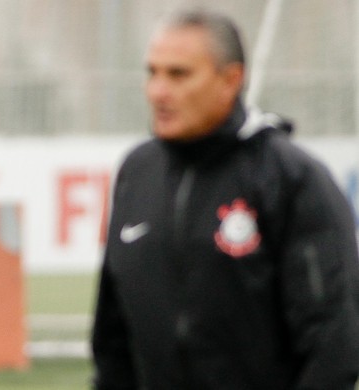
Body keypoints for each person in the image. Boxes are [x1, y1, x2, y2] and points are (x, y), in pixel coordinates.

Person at [92, 9, 359, 389]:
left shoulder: (292, 178)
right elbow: (112, 338)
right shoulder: (137, 173)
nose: (158, 91)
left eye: (178, 74)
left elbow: (333, 343)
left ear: (231, 80)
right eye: (152, 73)